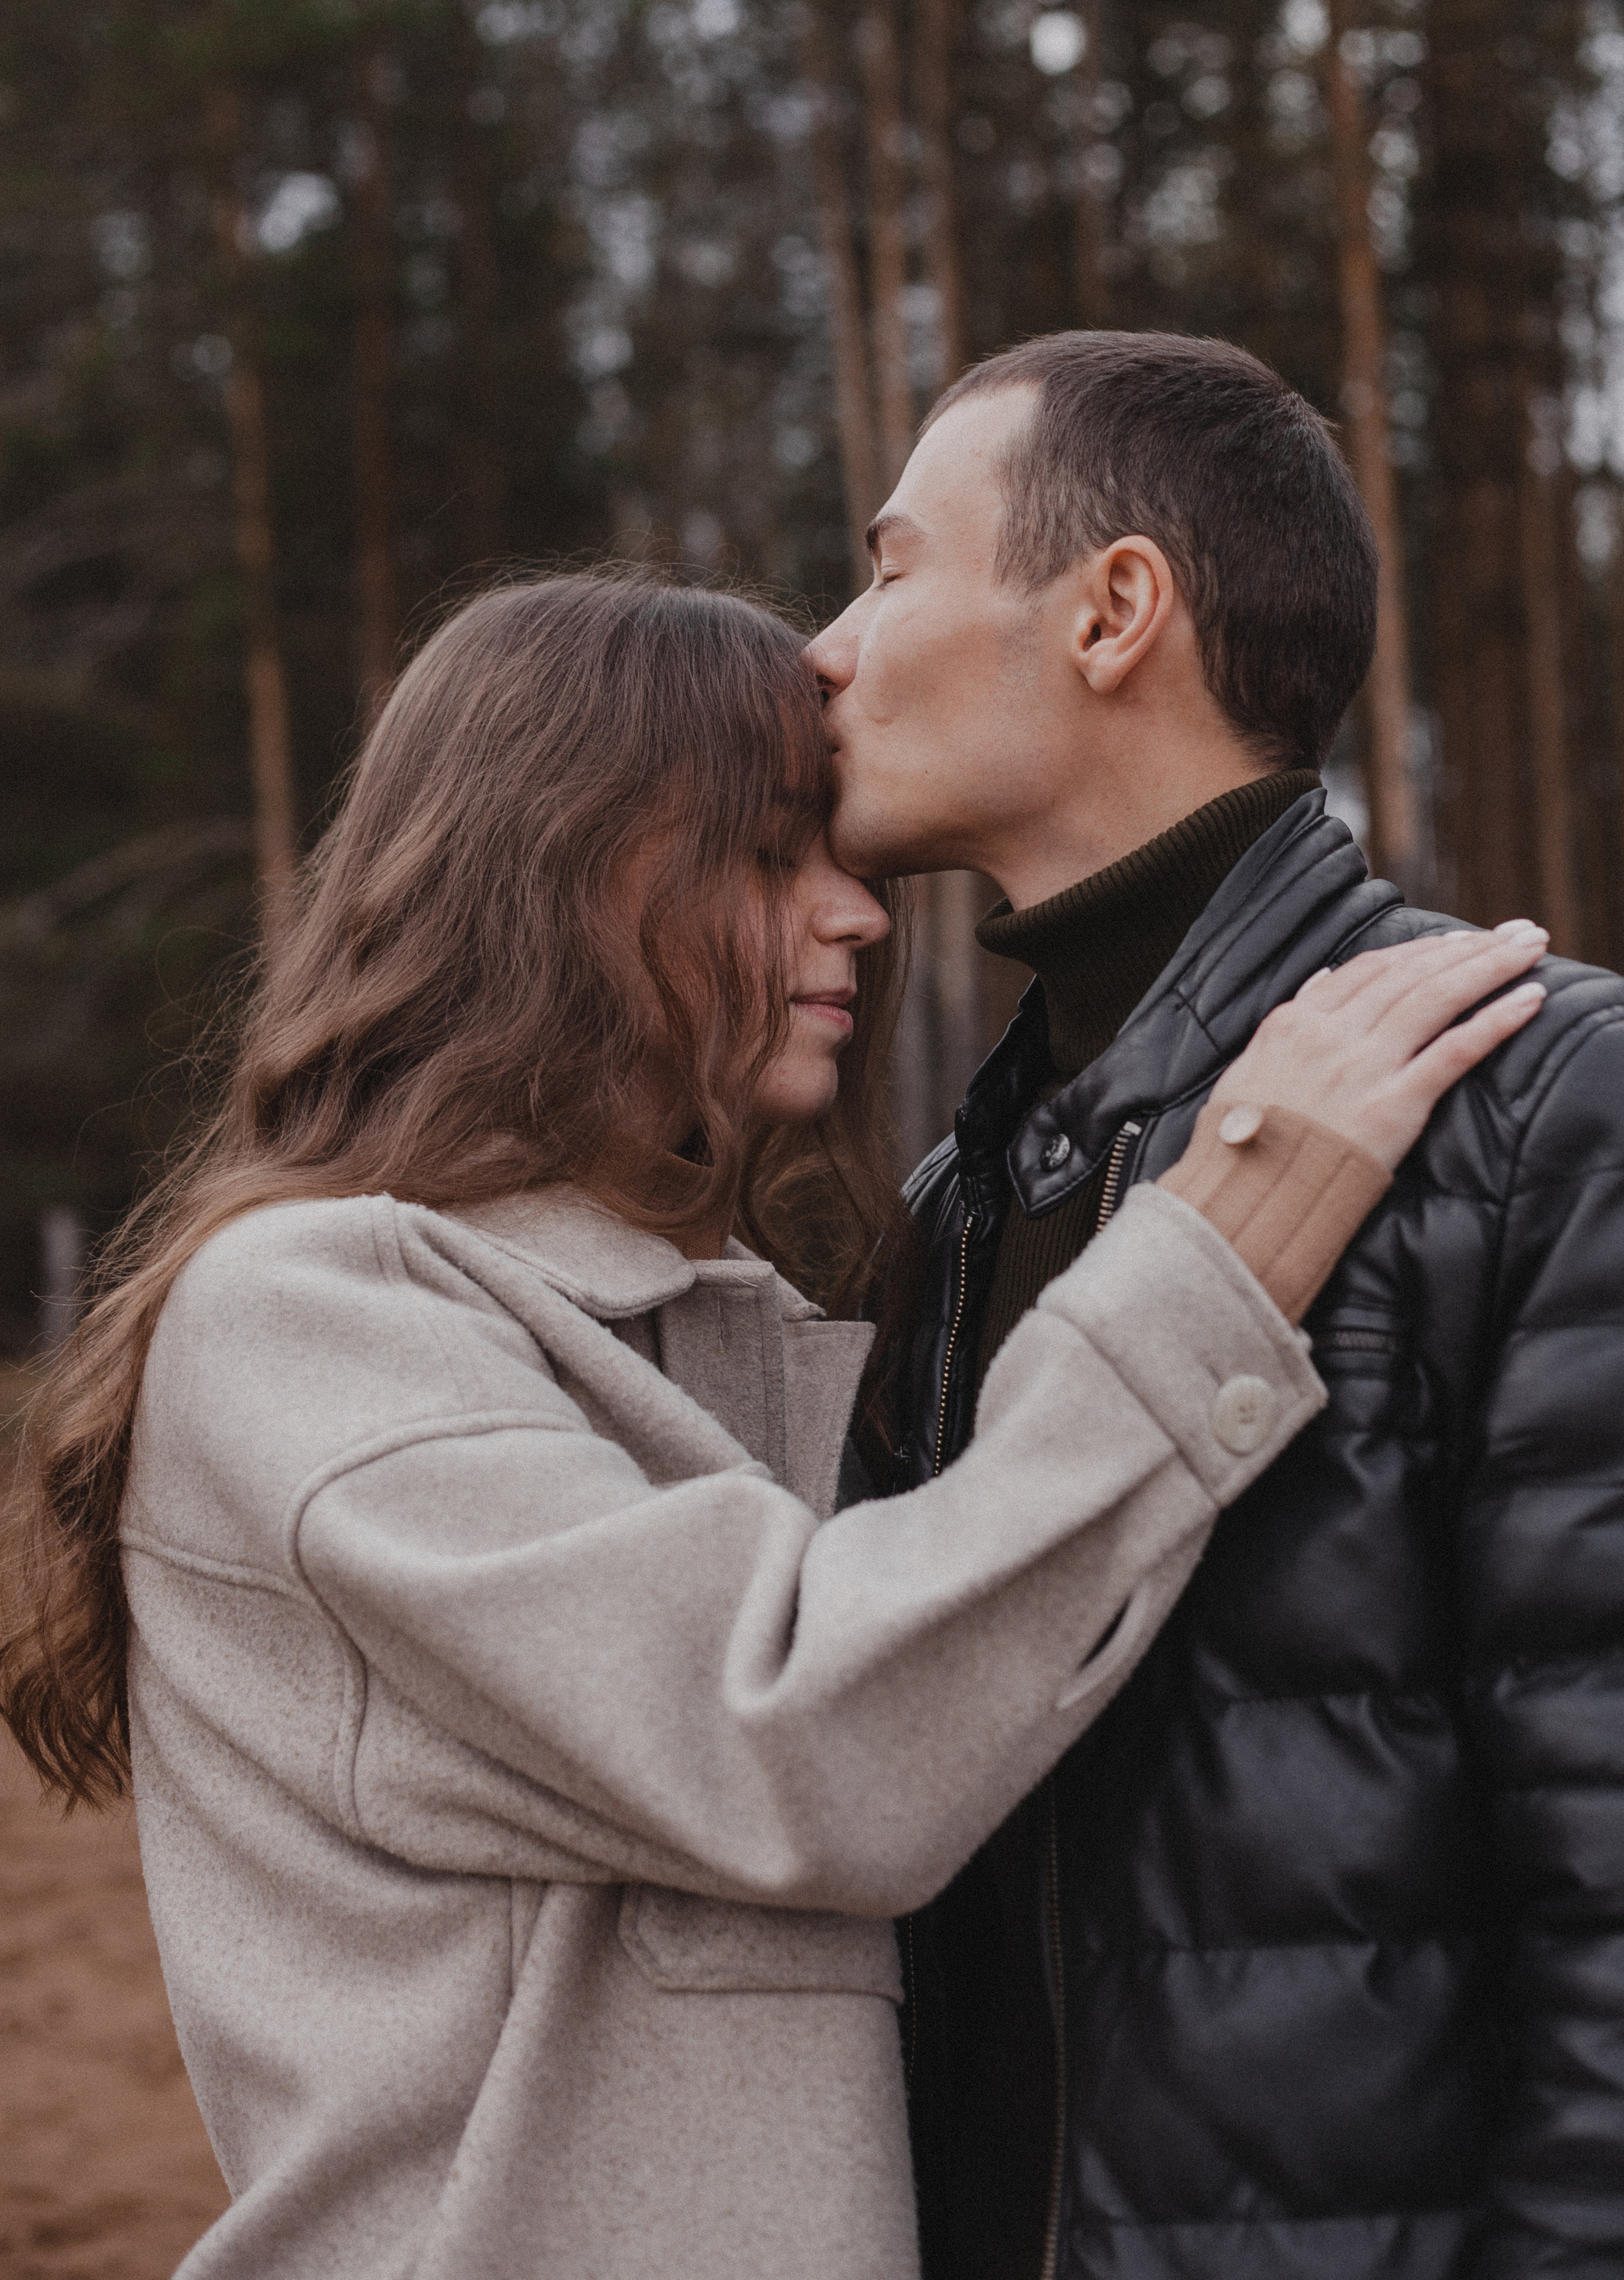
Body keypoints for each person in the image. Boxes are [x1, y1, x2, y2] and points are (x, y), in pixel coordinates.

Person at [0, 572, 1545, 2280]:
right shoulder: (312, 1314)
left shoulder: (720, 1317)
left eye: (857, 863)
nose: (862, 918)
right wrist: (1216, 1256)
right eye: (767, 854)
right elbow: (810, 1739)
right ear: (563, 869)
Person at [809, 328, 1624, 2280]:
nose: (826, 651)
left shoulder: (1549, 1105)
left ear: (1116, 611)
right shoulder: (958, 1203)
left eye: (888, 565)